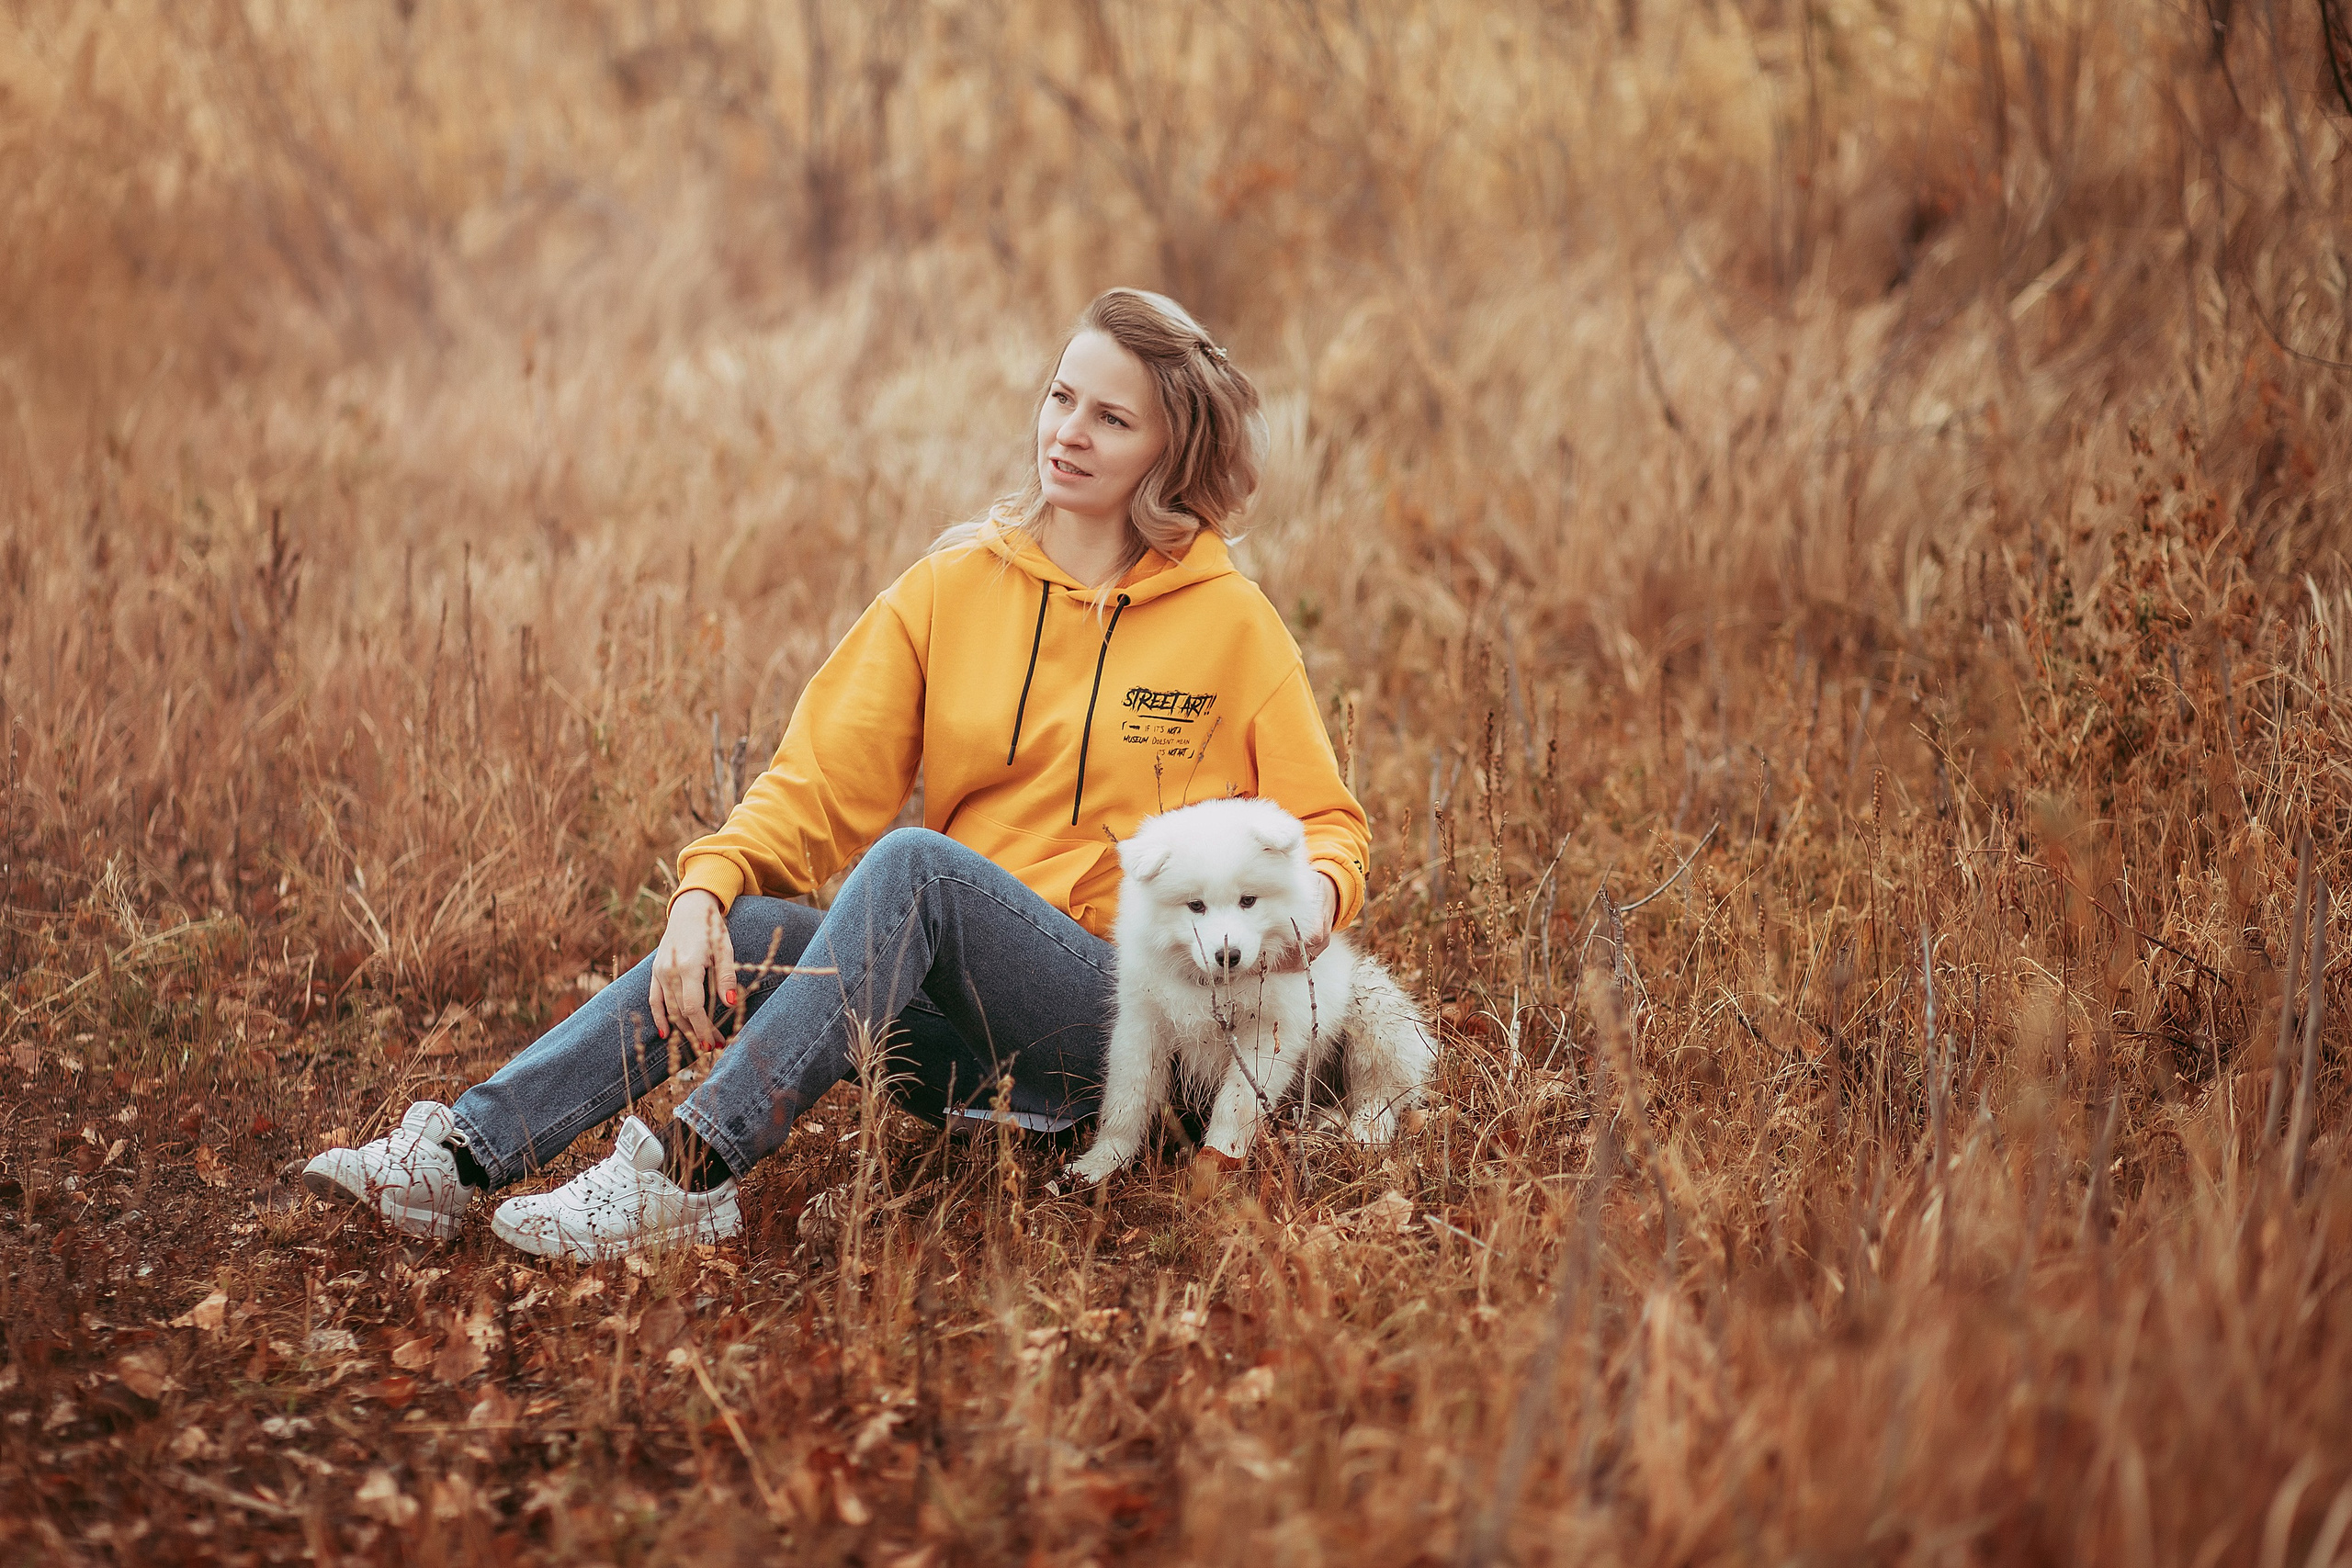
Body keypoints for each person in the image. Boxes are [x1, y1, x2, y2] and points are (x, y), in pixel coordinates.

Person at [301, 288, 1371, 1261]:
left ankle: (692, 1175)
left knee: (916, 868)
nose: (1068, 434)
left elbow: (1327, 822)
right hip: (959, 1046)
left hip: (1130, 1024)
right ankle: (463, 1160)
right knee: (763, 930)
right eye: (1060, 398)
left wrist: (1313, 906)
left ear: (1167, 453)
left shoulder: (1230, 622)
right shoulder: (954, 586)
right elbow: (815, 785)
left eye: (1111, 419)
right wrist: (702, 890)